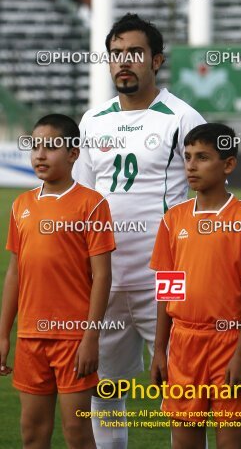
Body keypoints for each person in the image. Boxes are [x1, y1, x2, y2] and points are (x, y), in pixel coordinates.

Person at [72, 13, 205, 448]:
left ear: (157, 60)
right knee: (105, 386)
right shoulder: (93, 121)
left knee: (180, 387)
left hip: (166, 276)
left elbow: (206, 197)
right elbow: (83, 201)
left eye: (134, 53)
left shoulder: (182, 117)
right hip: (104, 275)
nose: (123, 62)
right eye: (115, 54)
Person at [150, 123, 241, 449]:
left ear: (228, 165)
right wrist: (159, 350)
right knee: (184, 439)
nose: (191, 165)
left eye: (203, 157)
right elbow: (168, 287)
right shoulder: (173, 219)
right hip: (183, 346)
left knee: (232, 440)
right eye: (188, 157)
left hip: (229, 344)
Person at [0, 114, 115, 449]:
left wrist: (91, 337)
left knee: (77, 433)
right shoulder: (21, 205)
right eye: (35, 146)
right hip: (31, 337)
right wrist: (4, 334)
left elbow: (103, 276)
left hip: (73, 339)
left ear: (73, 154)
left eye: (51, 146)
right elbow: (14, 273)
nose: (40, 154)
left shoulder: (92, 205)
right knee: (32, 433)